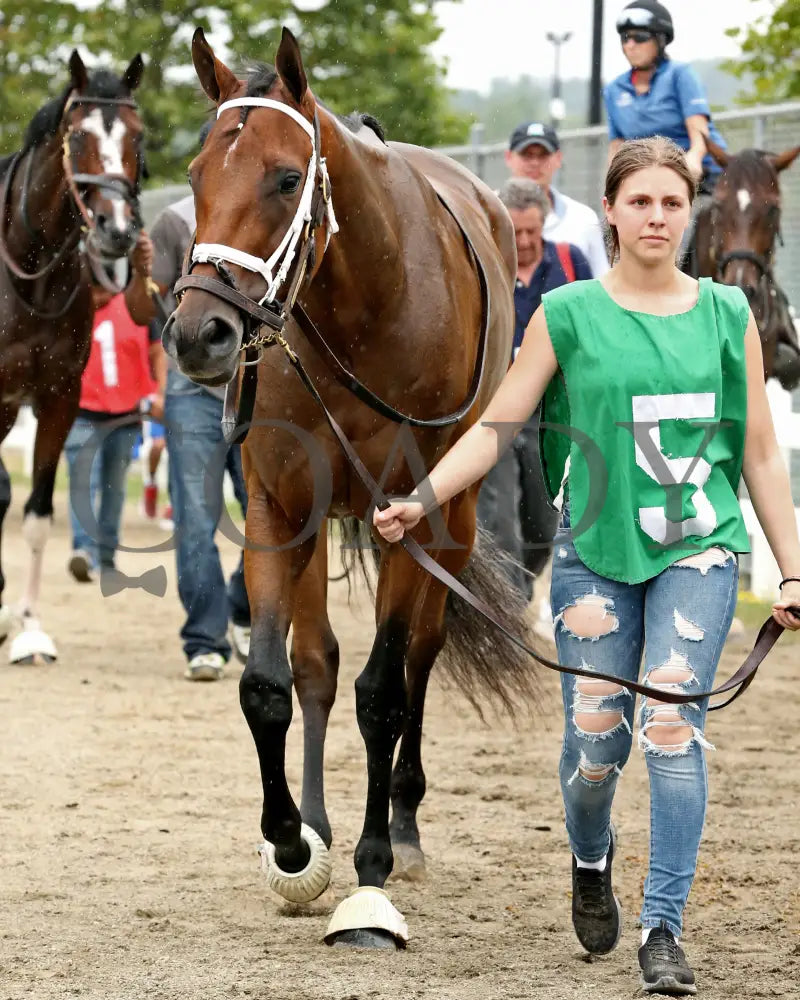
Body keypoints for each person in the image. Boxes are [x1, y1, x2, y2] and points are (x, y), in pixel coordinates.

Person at [374, 136, 800, 994]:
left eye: (671, 203)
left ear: (695, 214)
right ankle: (589, 855)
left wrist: (791, 569)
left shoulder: (727, 316)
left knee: (674, 734)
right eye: (639, 201)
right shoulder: (566, 312)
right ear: (609, 209)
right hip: (594, 558)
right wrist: (422, 497)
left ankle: (664, 929)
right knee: (595, 750)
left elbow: (758, 453)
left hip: (701, 548)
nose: (656, 216)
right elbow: (497, 426)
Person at [150, 126, 251, 683]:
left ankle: (240, 602)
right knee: (194, 517)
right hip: (191, 388)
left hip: (256, 385)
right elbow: (153, 303)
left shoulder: (268, 213)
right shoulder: (172, 221)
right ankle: (204, 637)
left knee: (265, 515)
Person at [477, 177, 591, 599]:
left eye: (531, 231)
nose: (524, 241)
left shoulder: (569, 260)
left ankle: (515, 594)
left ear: (544, 225)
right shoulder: (487, 263)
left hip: (553, 409)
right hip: (500, 404)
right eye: (516, 231)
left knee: (544, 522)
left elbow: (593, 324)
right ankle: (505, 609)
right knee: (499, 515)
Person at [65, 232, 163, 582]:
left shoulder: (135, 306)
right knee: (82, 483)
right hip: (81, 413)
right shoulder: (70, 309)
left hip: (126, 413)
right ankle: (84, 551)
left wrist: (159, 392)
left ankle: (105, 557)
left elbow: (157, 350)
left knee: (113, 488)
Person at [605, 1, 726, 196]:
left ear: (660, 40)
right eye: (625, 38)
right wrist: (613, 183)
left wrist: (692, 161)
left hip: (703, 175)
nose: (630, 45)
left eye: (640, 37)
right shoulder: (614, 89)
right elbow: (616, 146)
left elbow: (699, 136)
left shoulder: (680, 75)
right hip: (651, 176)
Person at [505, 121, 609, 278]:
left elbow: (602, 281)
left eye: (543, 155)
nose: (535, 163)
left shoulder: (583, 219)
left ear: (558, 158)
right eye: (526, 155)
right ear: (509, 157)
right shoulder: (485, 213)